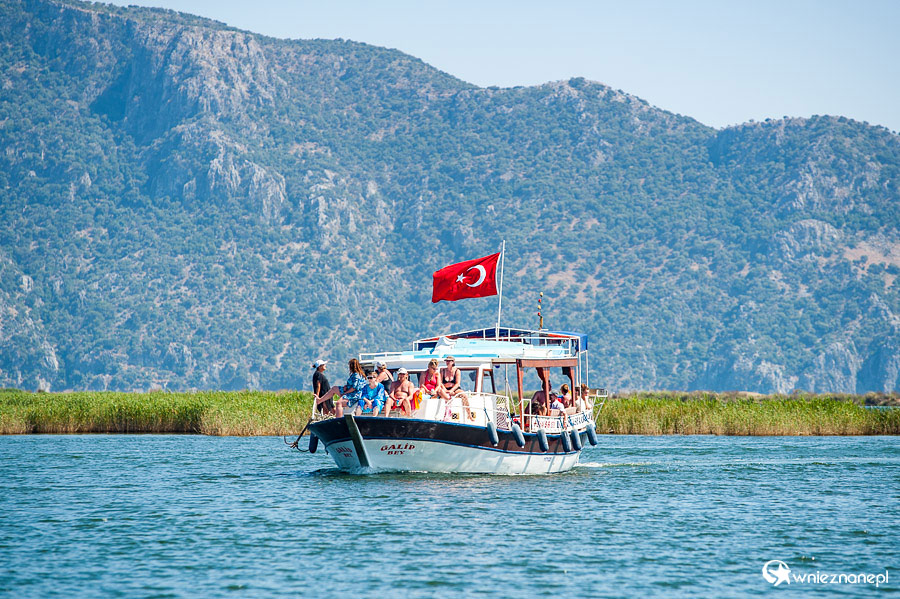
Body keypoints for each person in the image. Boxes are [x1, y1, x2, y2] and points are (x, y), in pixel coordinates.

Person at [440, 356, 474, 422]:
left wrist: (451, 390)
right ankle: (444, 415)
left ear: (453, 362)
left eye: (449, 361)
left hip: (455, 389)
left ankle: (469, 414)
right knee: (440, 392)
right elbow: (440, 382)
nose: (447, 362)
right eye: (446, 361)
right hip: (444, 389)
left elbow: (457, 383)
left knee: (464, 395)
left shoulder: (457, 371)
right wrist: (445, 390)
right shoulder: (443, 370)